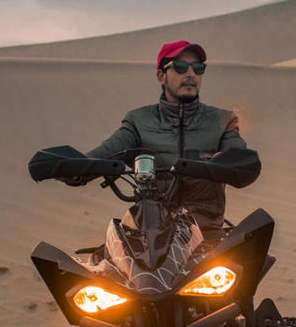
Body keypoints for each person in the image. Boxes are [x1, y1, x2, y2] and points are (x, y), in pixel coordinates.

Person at [67, 40, 249, 242]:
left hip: (206, 235)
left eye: (198, 68)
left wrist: (231, 162)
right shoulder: (139, 121)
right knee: (100, 268)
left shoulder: (221, 121)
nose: (191, 74)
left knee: (244, 263)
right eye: (180, 67)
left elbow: (238, 154)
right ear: (161, 76)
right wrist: (73, 169)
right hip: (150, 235)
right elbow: (107, 152)